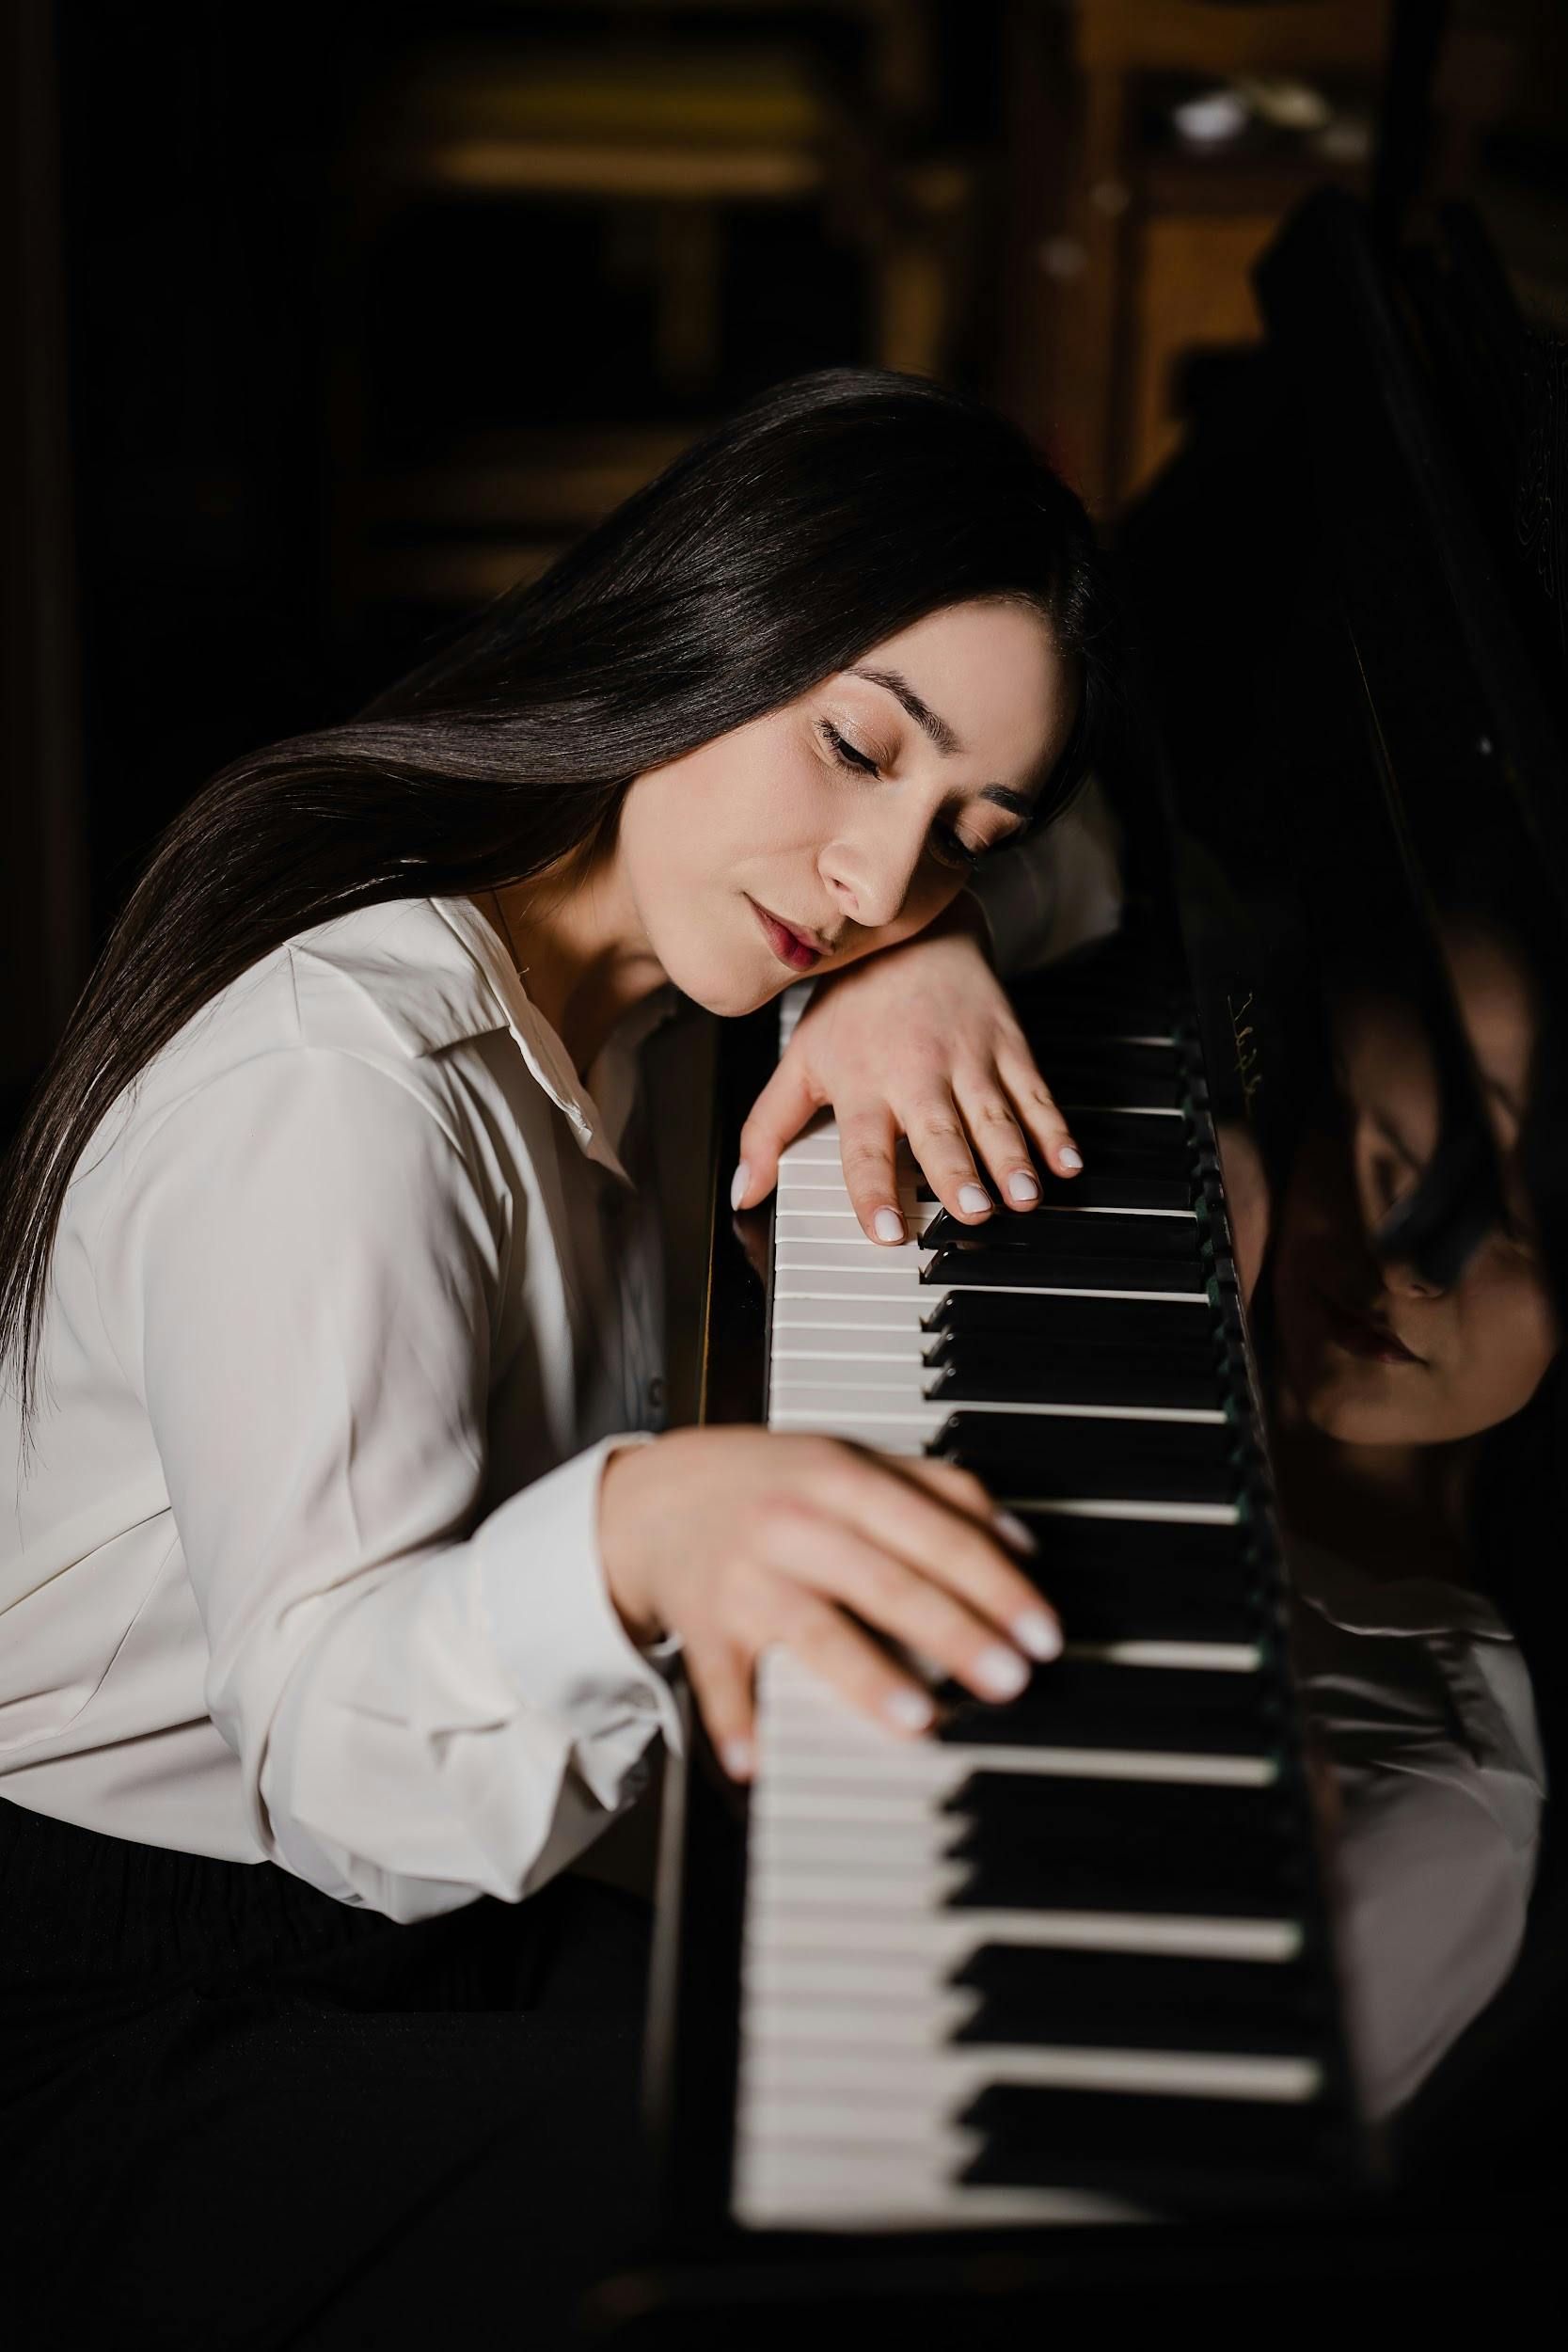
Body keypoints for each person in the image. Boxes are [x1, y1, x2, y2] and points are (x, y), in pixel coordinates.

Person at [0, 367, 1119, 2343]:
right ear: (710, 622)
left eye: (957, 825)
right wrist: (634, 1529)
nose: (873, 870)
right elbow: (338, 1751)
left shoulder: (695, 938)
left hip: (425, 1907)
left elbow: (1086, 853)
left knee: (980, 2073)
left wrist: (937, 952)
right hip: (118, 1984)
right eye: (857, 745)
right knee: (861, 2202)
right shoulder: (334, 1089)